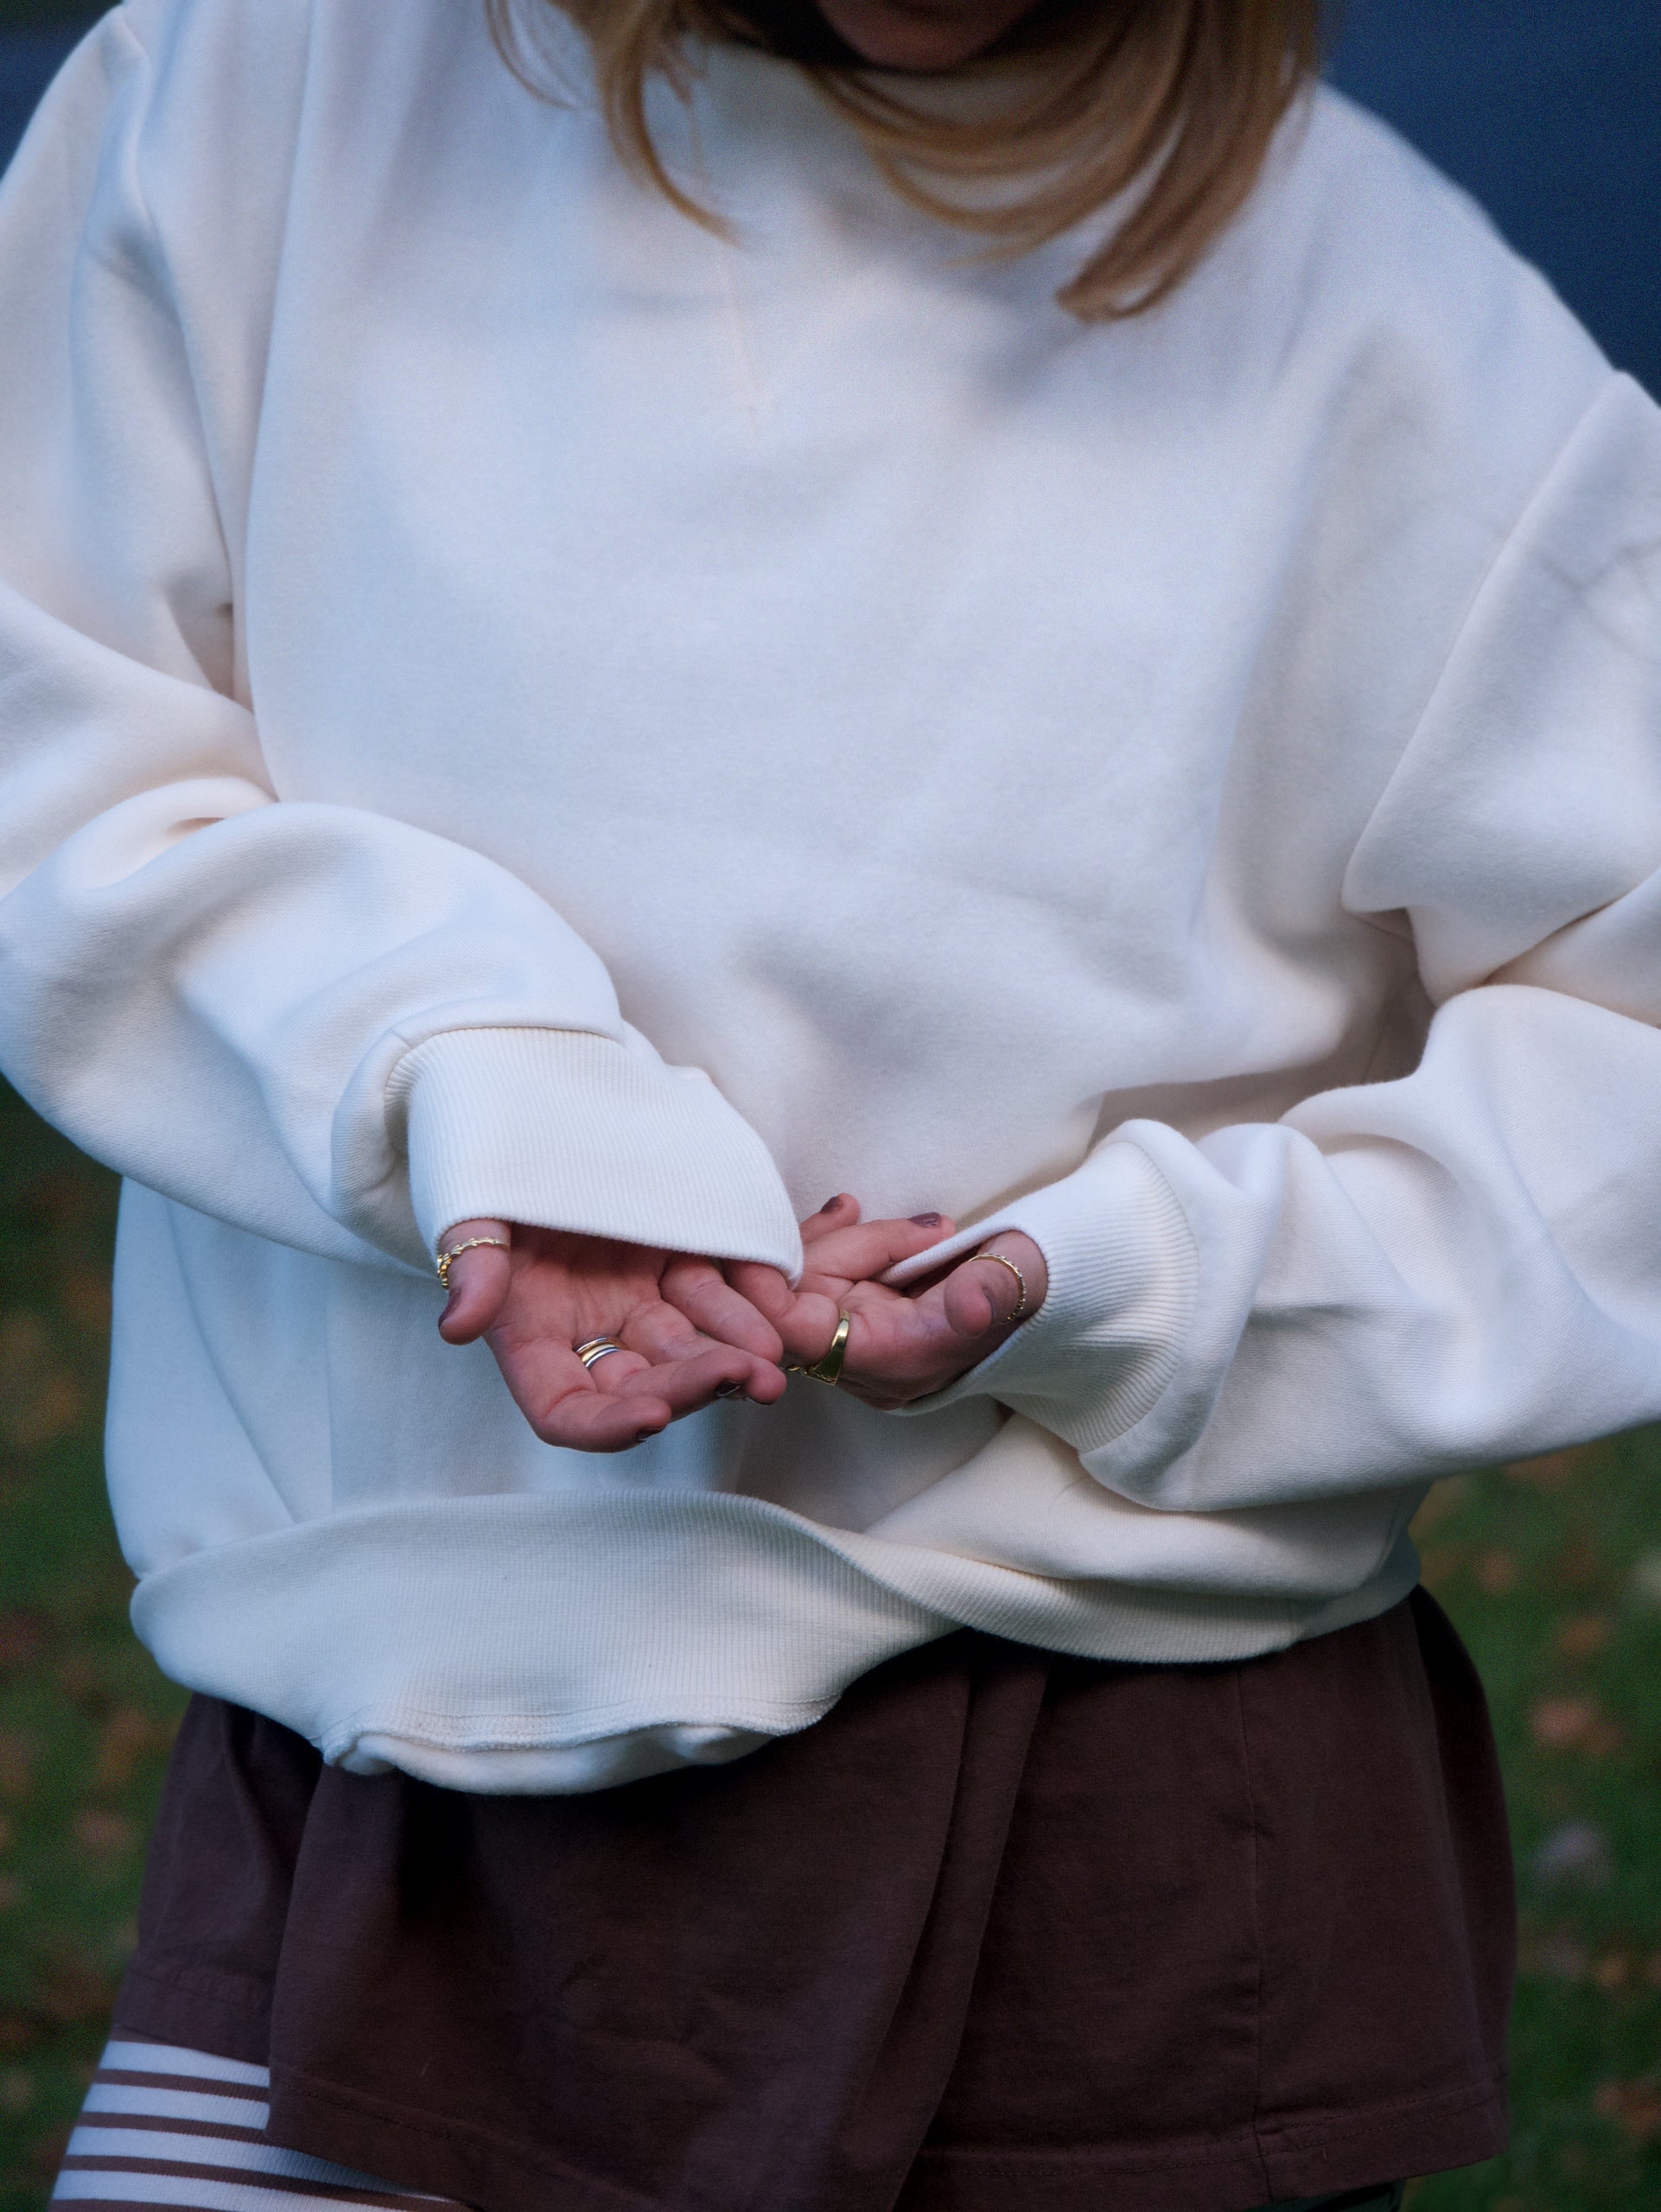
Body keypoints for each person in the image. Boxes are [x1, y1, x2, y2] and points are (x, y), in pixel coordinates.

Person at [3, 0, 1658, 2206]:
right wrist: (468, 1085)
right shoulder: (271, 84)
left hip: (1131, 1800)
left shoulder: (1398, 332)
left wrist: (1138, 1285)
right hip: (387, 1717)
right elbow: (54, 728)